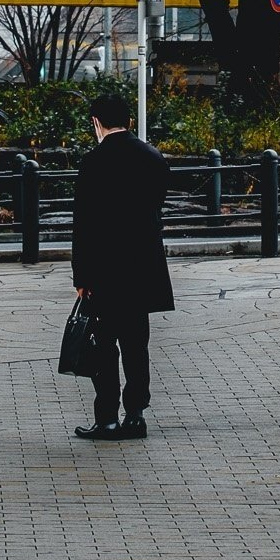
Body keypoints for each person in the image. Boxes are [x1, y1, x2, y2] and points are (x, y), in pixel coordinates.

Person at [70, 96, 174, 441]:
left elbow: (83, 224)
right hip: (142, 265)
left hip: (105, 268)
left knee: (104, 345)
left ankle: (107, 418)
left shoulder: (93, 163)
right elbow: (156, 206)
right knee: (136, 344)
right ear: (128, 120)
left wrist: (81, 276)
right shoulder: (152, 158)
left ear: (96, 121)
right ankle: (136, 415)